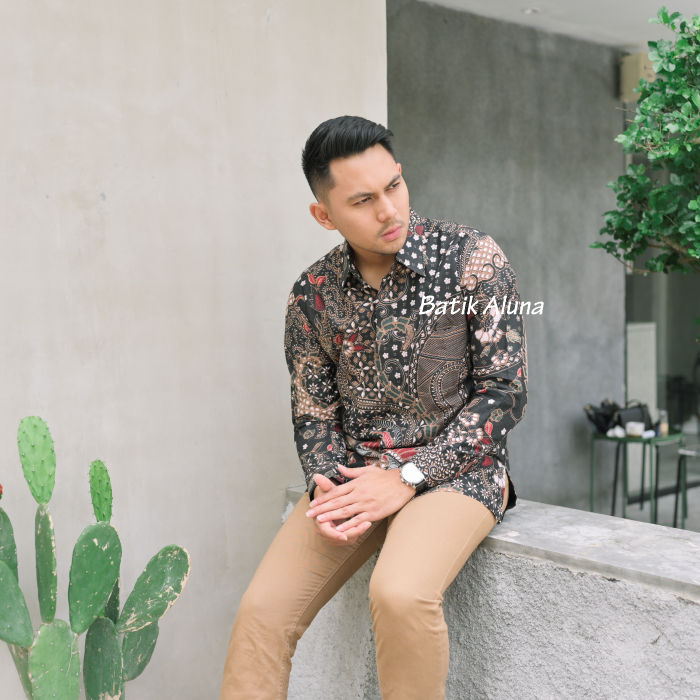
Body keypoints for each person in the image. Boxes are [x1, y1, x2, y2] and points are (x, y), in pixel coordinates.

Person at [220, 115, 527, 700]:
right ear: (324, 215)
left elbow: (503, 393)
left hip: (459, 473)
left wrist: (407, 477)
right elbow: (313, 412)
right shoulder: (312, 294)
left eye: (394, 185)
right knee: (262, 612)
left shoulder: (472, 259)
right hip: (355, 475)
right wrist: (331, 484)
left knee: (400, 593)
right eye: (363, 200)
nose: (389, 210)